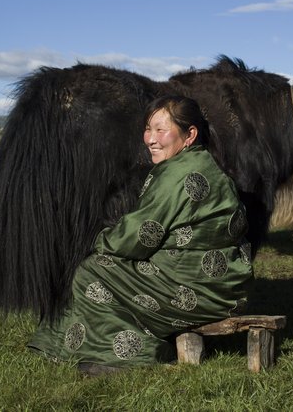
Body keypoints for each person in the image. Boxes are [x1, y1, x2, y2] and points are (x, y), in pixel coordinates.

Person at [28, 95, 254, 375]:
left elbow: (139, 236)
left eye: (161, 129)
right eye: (148, 129)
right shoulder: (207, 166)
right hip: (229, 287)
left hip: (196, 290)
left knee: (91, 270)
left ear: (190, 135)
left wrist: (98, 242)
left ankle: (134, 354)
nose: (151, 139)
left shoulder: (177, 174)